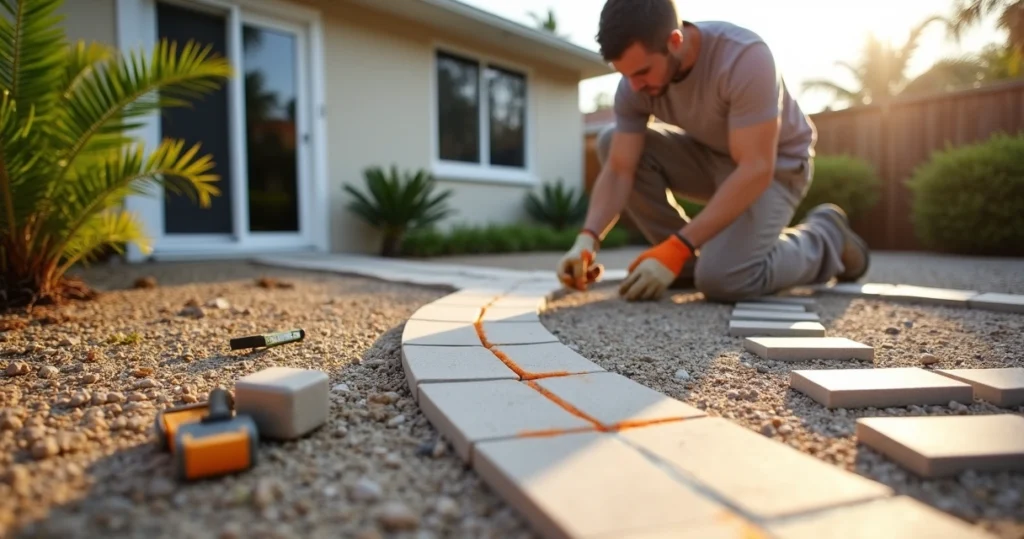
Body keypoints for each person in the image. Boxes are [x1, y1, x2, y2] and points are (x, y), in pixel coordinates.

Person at [557, 0, 870, 302]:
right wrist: (588, 239)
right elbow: (619, 169)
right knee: (612, 140)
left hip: (775, 169)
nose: (633, 86)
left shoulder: (744, 57)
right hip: (711, 159)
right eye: (625, 75)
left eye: (642, 72)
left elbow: (755, 168)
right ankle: (685, 267)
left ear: (675, 41)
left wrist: (677, 247)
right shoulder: (634, 85)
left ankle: (826, 235)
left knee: (725, 280)